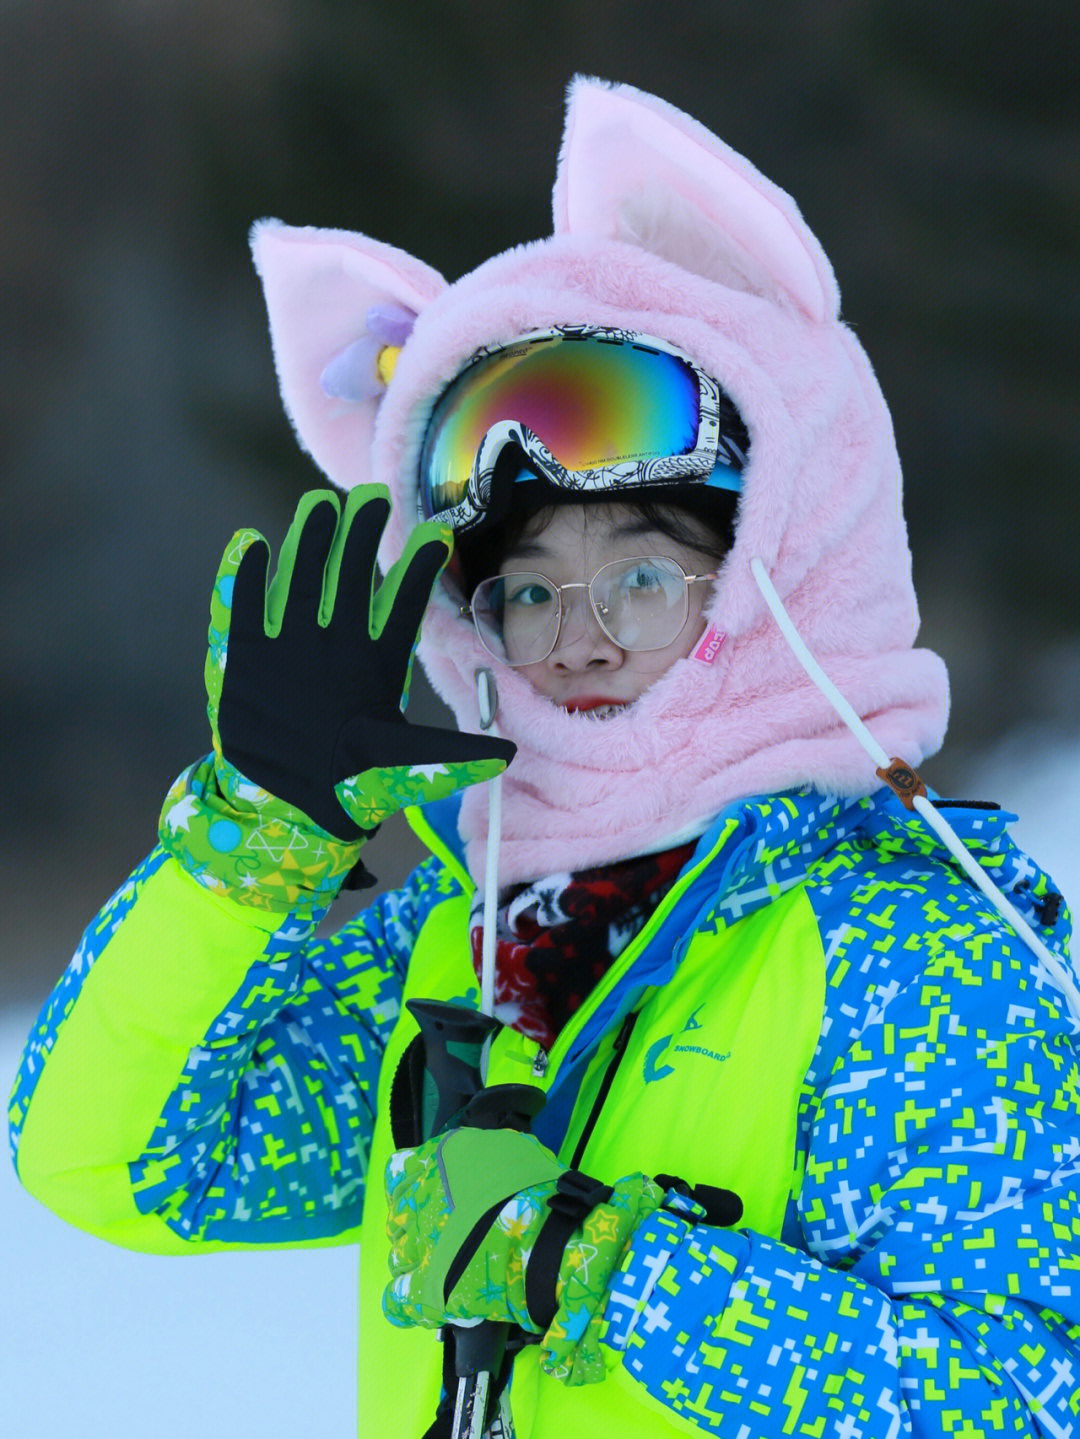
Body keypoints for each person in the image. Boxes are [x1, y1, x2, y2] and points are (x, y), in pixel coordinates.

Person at [10, 76, 1080, 1439]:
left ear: (784, 568)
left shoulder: (913, 952)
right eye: (523, 589)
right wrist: (250, 840)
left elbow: (1033, 1398)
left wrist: (593, 1269)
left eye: (642, 578)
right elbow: (103, 1159)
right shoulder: (459, 947)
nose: (572, 640)